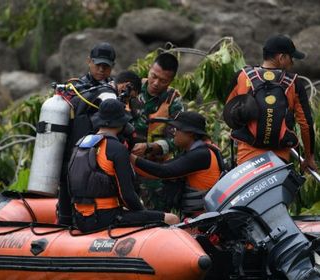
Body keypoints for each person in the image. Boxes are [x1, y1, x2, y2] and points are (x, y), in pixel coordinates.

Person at [67, 99, 179, 232]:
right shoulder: (117, 148)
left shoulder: (81, 143)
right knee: (173, 219)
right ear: (122, 124)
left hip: (80, 219)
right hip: (104, 219)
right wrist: (142, 214)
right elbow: (127, 195)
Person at [224, 34, 317, 171]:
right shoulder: (293, 83)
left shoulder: (242, 76)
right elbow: (305, 124)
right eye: (291, 58)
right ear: (281, 58)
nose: (292, 62)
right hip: (279, 159)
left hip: (246, 159)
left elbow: (228, 111)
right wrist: (309, 157)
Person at [58, 42, 118, 225]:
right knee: (68, 202)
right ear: (89, 62)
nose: (101, 69)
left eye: (106, 66)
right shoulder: (76, 89)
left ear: (112, 67)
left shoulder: (116, 89)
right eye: (98, 64)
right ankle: (64, 225)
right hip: (75, 157)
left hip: (102, 159)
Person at [130, 112, 225, 217]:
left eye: (177, 129)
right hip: (199, 216)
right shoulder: (196, 151)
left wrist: (130, 157)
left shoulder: (201, 154)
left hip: (204, 219)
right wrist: (131, 159)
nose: (174, 133)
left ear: (190, 133)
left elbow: (163, 171)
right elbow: (158, 171)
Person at [128, 52, 184, 210]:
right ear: (150, 69)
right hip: (126, 166)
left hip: (154, 173)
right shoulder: (131, 90)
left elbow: (177, 140)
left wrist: (150, 147)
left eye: (163, 81)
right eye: (154, 76)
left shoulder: (174, 101)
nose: (156, 83)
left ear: (171, 81)